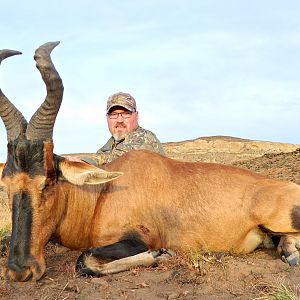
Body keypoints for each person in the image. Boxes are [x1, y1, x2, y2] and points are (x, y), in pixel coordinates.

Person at [81, 92, 165, 166]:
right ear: (107, 117)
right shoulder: (112, 143)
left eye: (126, 114)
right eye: (113, 114)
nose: (119, 120)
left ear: (136, 116)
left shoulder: (145, 138)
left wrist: (81, 163)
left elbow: (120, 160)